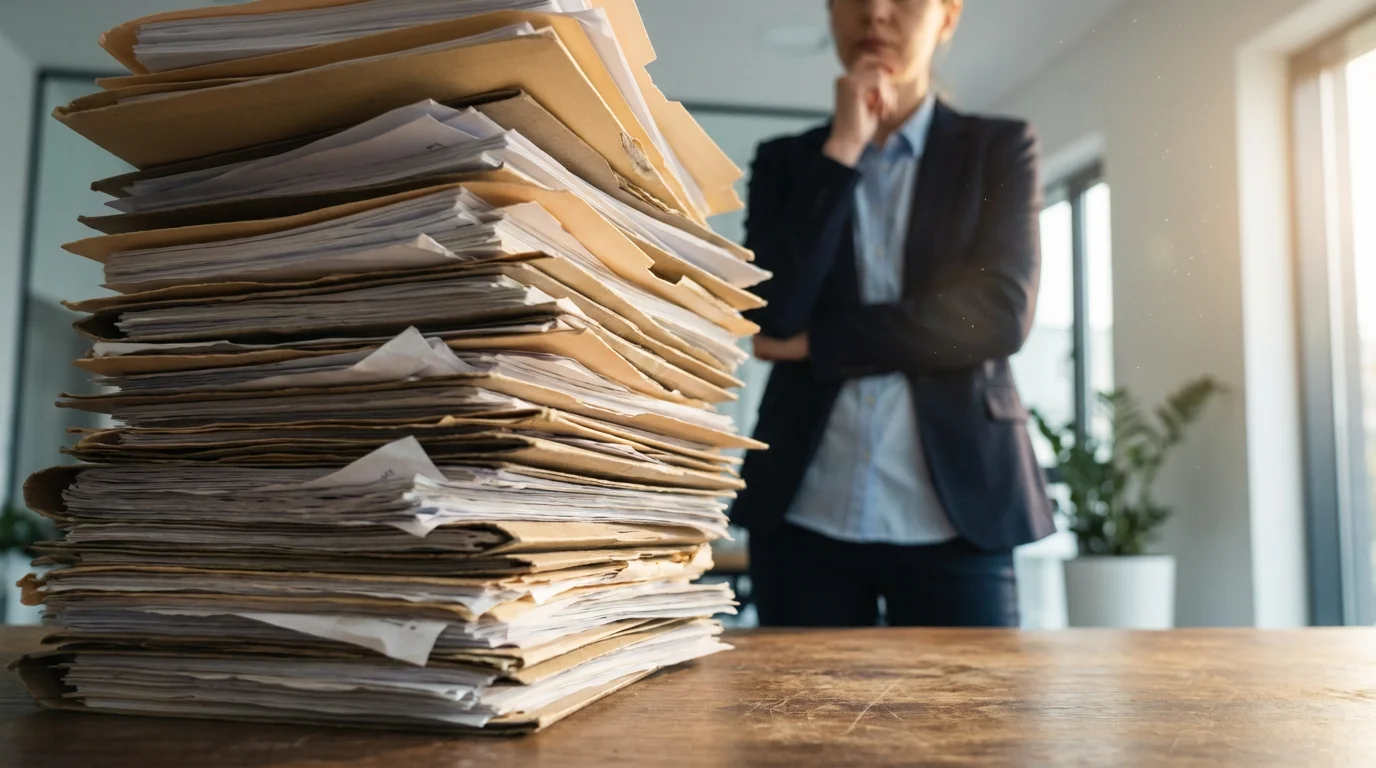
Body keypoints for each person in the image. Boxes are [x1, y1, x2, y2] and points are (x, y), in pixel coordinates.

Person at [731, 0, 1056, 628]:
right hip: (804, 509)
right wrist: (843, 150)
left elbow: (996, 316)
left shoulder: (998, 148)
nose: (875, 14)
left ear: (948, 17)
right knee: (795, 724)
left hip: (960, 510)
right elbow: (772, 316)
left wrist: (819, 342)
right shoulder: (787, 162)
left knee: (972, 723)